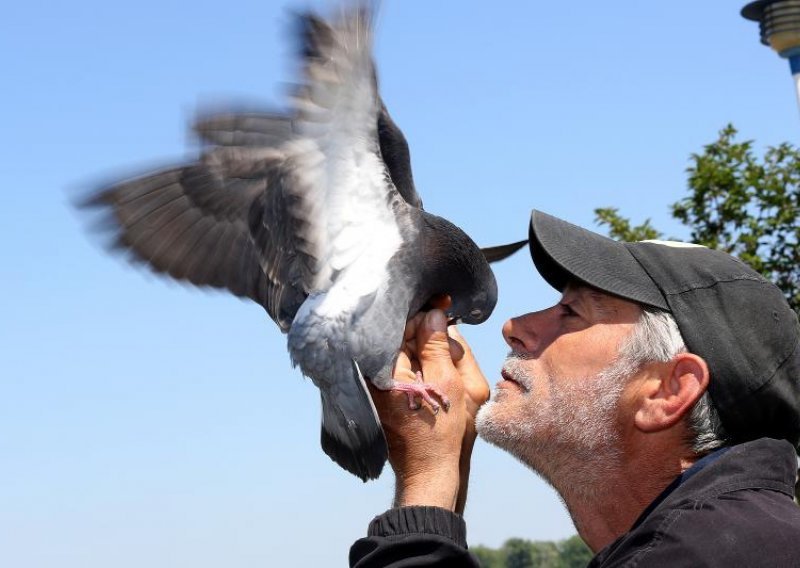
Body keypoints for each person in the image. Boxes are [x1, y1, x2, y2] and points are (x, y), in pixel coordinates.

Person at [349, 210, 800, 567]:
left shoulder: (713, 554)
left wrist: (426, 481)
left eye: (571, 312)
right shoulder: (734, 537)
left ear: (668, 391)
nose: (513, 327)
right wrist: (446, 465)